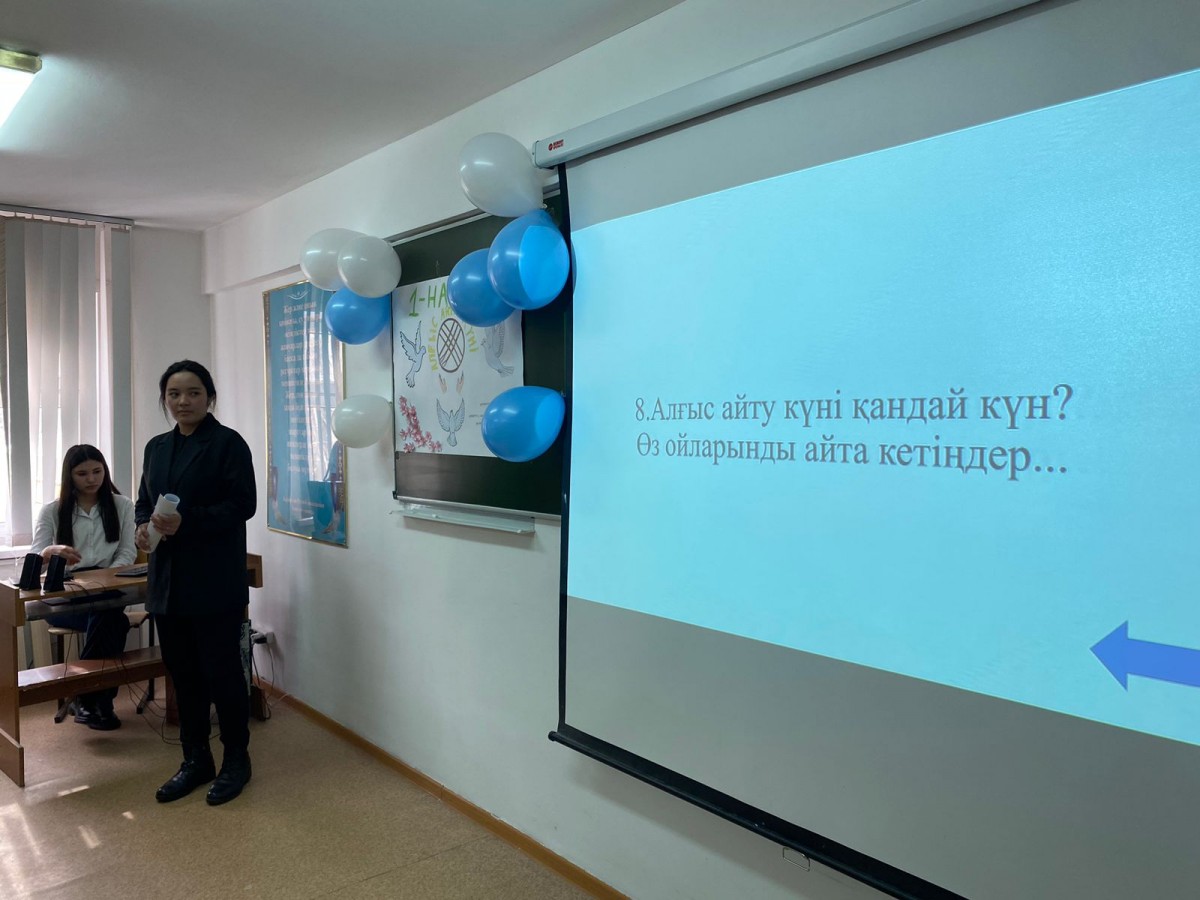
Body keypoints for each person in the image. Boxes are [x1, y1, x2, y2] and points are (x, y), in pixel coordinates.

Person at [135, 360, 256, 806]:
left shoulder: (227, 444)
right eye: (174, 394)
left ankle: (236, 759)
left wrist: (189, 521)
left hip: (213, 579)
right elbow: (144, 501)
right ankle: (195, 759)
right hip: (168, 582)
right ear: (164, 399)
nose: (182, 401)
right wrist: (142, 526)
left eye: (193, 393)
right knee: (184, 675)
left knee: (223, 674)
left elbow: (243, 505)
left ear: (209, 397)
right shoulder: (156, 447)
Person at [30, 444, 136, 731]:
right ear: (69, 476)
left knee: (107, 613)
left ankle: (88, 699)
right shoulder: (52, 511)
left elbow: (127, 553)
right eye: (82, 474)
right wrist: (49, 552)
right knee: (113, 620)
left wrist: (105, 578)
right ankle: (97, 701)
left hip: (108, 587)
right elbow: (35, 561)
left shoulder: (122, 505)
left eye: (97, 471)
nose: (91, 479)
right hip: (66, 595)